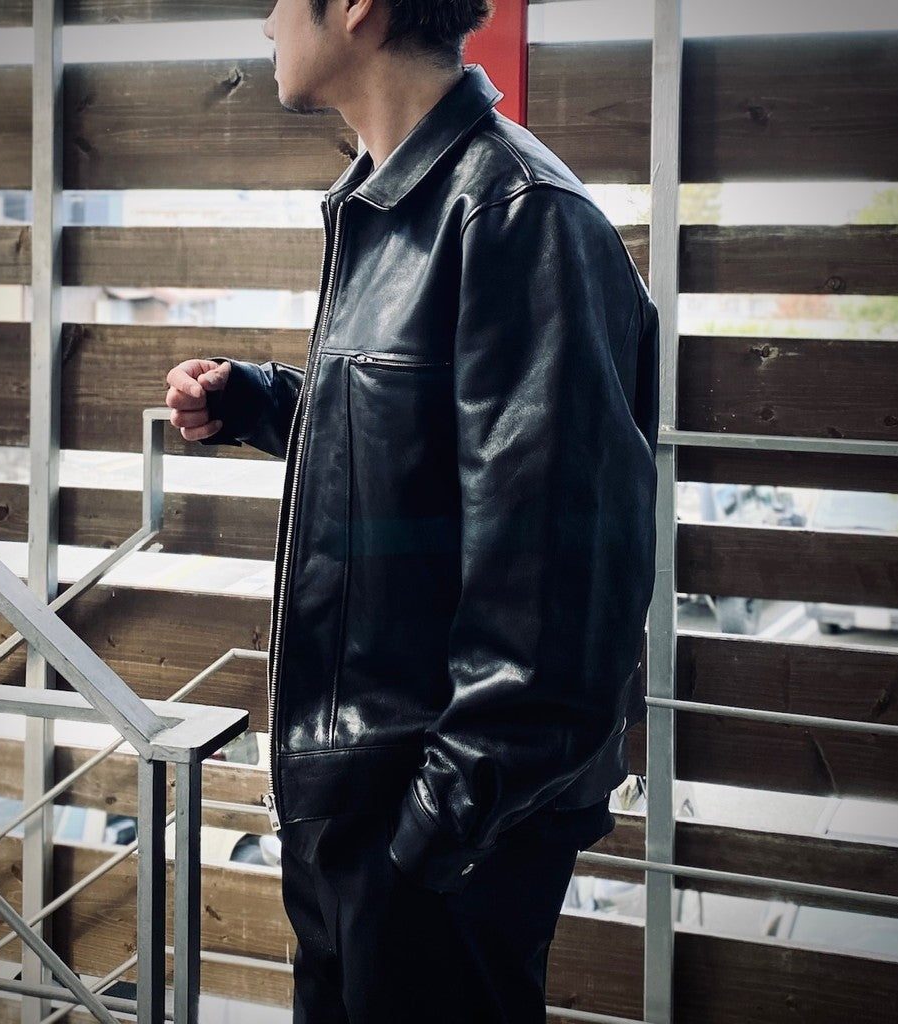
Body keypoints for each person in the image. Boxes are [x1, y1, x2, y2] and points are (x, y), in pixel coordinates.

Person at [164, 1, 659, 1020]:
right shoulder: (388, 202)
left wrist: (427, 842)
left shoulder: (519, 217)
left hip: (437, 839)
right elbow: (427, 439)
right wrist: (262, 401)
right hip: (361, 823)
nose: (267, 22)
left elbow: (563, 595)